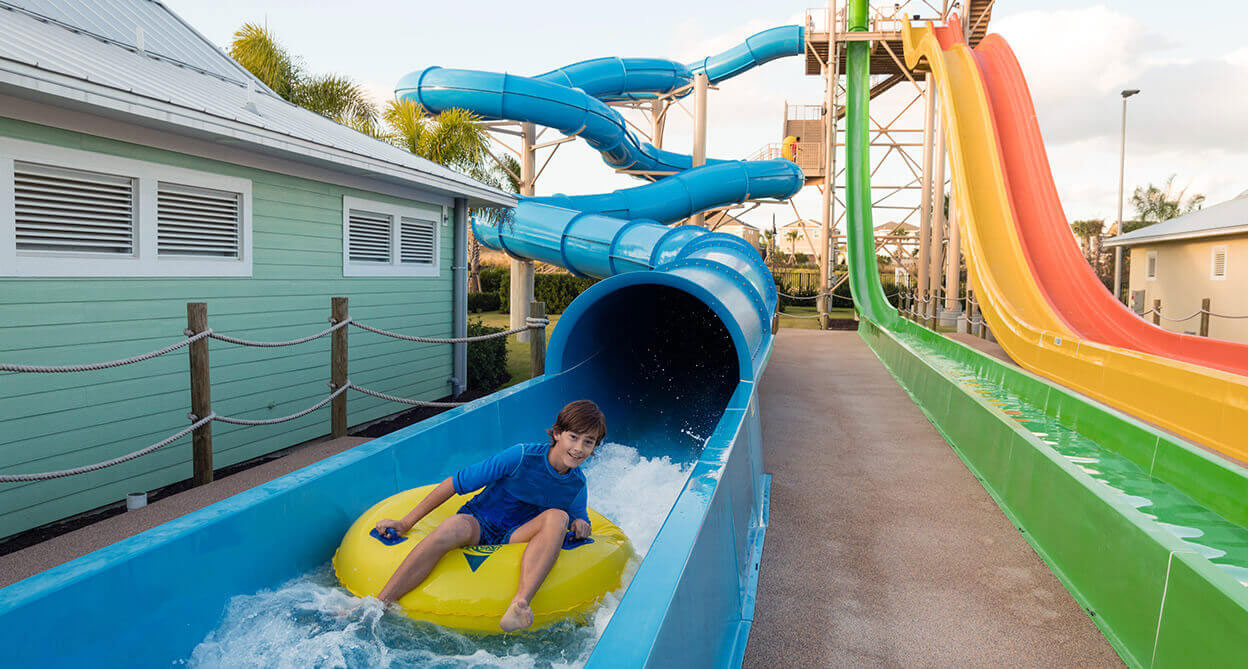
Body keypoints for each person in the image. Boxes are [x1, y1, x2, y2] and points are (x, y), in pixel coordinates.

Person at [375, 399, 606, 632]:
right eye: (573, 437)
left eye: (588, 442)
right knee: (454, 525)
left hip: (515, 536)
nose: (579, 448)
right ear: (557, 433)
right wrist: (405, 523)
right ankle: (379, 603)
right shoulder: (522, 456)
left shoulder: (576, 485)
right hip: (479, 523)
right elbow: (456, 483)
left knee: (558, 517)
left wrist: (580, 524)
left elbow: (580, 519)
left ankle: (519, 604)